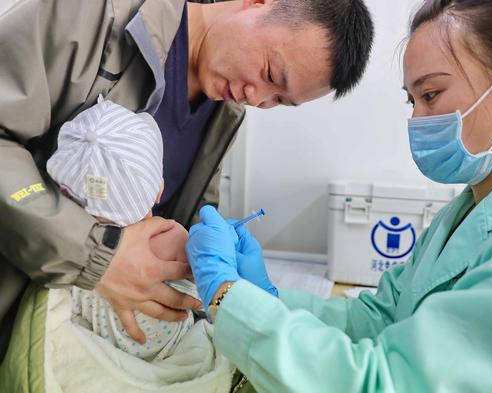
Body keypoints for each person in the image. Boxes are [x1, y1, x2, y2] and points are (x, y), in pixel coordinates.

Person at [186, 0, 492, 391]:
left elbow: (386, 382)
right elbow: (376, 321)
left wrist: (228, 297)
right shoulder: (465, 212)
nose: (416, 122)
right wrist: (263, 296)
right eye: (412, 101)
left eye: (431, 94)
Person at [0, 0, 374, 363]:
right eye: (272, 74)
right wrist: (95, 254)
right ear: (257, 2)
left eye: (279, 101)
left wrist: (205, 259)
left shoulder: (223, 115)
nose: (256, 98)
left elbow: (178, 219)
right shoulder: (92, 14)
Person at [47, 97, 202, 361]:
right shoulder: (166, 238)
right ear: (159, 190)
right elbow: (210, 292)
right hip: (175, 350)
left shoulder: (59, 254)